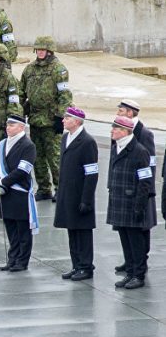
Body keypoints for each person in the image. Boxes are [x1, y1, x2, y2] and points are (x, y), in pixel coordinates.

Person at [20, 35, 72, 201]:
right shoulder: (29, 70)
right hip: (35, 119)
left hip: (51, 120)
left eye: (43, 49)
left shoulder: (59, 69)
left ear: (50, 50)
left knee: (54, 157)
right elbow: (21, 92)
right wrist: (19, 112)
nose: (40, 52)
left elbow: (65, 95)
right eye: (38, 50)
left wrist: (60, 117)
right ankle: (44, 188)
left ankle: (60, 188)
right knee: (37, 157)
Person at [107, 115, 156, 290]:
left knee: (136, 242)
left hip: (132, 202)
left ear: (125, 131)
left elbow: (145, 181)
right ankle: (130, 272)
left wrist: (139, 206)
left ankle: (138, 275)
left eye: (115, 128)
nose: (112, 131)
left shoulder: (140, 151)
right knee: (125, 240)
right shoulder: (116, 148)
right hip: (119, 201)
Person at [54, 106, 98, 282]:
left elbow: (92, 173)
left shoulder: (87, 142)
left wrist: (86, 200)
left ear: (77, 121)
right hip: (67, 193)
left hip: (80, 195)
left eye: (67, 118)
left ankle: (86, 266)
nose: (63, 120)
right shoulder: (66, 138)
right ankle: (76, 264)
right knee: (72, 230)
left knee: (83, 233)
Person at [0, 114, 38, 272]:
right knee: (10, 228)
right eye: (7, 125)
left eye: (11, 125)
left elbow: (23, 170)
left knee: (22, 230)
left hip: (19, 192)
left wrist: (3, 182)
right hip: (4, 192)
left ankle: (22, 261)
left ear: (21, 127)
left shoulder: (28, 145)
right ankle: (12, 259)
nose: (8, 127)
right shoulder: (2, 144)